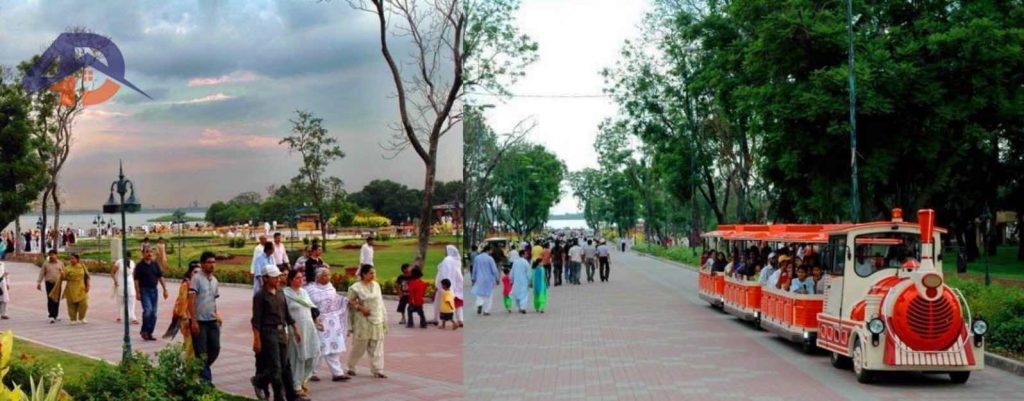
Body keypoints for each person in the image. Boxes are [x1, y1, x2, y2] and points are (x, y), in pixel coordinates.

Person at [251, 265, 302, 401]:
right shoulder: (260, 296)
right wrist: (257, 339)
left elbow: (286, 313)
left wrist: (294, 328)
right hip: (268, 332)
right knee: (276, 367)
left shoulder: (280, 293)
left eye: (278, 276)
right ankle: (279, 397)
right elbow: (256, 320)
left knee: (285, 365)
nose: (278, 279)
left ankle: (259, 380)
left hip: (281, 331)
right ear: (266, 278)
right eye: (274, 277)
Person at [306, 267, 351, 382]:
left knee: (334, 348)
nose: (328, 277)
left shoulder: (331, 287)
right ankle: (311, 372)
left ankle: (338, 373)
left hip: (333, 322)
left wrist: (345, 301)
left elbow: (335, 300)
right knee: (319, 348)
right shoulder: (310, 289)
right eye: (325, 275)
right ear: (318, 277)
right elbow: (308, 305)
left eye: (329, 275)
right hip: (319, 322)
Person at [283, 269, 320, 398]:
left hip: (309, 328)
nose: (301, 280)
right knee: (298, 357)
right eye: (297, 278)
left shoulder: (304, 292)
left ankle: (302, 379)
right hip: (296, 329)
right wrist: (287, 331)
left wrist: (317, 321)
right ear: (290, 280)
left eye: (302, 278)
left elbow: (311, 308)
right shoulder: (285, 294)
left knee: (313, 354)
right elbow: (284, 315)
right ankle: (296, 385)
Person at [347, 264, 388, 378]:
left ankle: (378, 370)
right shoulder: (355, 287)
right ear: (363, 274)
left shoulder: (376, 286)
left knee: (377, 346)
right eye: (371, 273)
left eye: (374, 273)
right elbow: (350, 301)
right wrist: (361, 308)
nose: (373, 275)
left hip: (377, 319)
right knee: (359, 346)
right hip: (362, 320)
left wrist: (384, 318)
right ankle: (351, 366)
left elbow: (380, 302)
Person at [190, 252, 222, 382]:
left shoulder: (215, 281)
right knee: (201, 352)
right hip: (200, 321)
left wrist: (217, 316)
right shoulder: (196, 279)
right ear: (203, 264)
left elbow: (213, 301)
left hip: (212, 320)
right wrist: (194, 321)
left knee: (215, 348)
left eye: (213, 262)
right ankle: (206, 381)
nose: (212, 265)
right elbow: (191, 300)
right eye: (209, 262)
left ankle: (200, 369)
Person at [164, 261, 200, 354]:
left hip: (200, 318)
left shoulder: (202, 284)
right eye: (195, 272)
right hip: (187, 319)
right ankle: (189, 366)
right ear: (190, 273)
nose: (197, 275)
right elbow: (181, 302)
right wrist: (184, 317)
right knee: (189, 345)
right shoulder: (186, 285)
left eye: (200, 272)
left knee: (198, 345)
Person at [134, 248, 169, 341]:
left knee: (154, 313)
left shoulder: (155, 264)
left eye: (150, 252)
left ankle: (149, 333)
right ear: (142, 254)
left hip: (154, 291)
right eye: (147, 252)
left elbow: (160, 276)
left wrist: (165, 289)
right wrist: (137, 292)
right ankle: (144, 331)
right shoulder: (139, 266)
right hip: (144, 290)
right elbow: (136, 280)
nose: (149, 254)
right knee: (148, 310)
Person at [51, 253, 90, 324]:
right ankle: (73, 319)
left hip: (81, 287)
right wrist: (62, 273)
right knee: (71, 304)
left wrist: (88, 285)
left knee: (84, 303)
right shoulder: (67, 268)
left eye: (73, 258)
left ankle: (82, 317)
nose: (71, 260)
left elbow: (87, 276)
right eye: (70, 258)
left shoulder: (82, 266)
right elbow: (63, 278)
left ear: (77, 259)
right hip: (71, 288)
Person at [433, 245, 464, 327]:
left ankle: (437, 319)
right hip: (456, 284)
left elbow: (443, 272)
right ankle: (460, 320)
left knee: (442, 302)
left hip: (446, 285)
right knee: (457, 303)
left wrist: (442, 284)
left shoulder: (447, 260)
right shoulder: (457, 260)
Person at [471, 245, 500, 315]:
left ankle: (479, 304)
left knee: (479, 293)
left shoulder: (477, 258)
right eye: (491, 250)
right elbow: (494, 270)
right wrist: (497, 278)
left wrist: (473, 278)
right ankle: (486, 311)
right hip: (489, 279)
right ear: (488, 250)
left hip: (479, 278)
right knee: (489, 295)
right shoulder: (490, 259)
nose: (492, 252)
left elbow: (474, 269)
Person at [37, 249, 64, 323]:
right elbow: (41, 273)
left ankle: (55, 315)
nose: (51, 256)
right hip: (49, 283)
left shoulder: (60, 263)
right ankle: (51, 315)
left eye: (53, 255)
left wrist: (63, 274)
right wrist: (39, 283)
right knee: (50, 298)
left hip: (58, 284)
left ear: (56, 255)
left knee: (57, 299)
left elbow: (64, 273)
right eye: (50, 255)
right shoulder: (46, 264)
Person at [111, 251, 138, 324]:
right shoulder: (119, 262)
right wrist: (115, 281)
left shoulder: (132, 263)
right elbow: (112, 272)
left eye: (129, 257)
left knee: (131, 298)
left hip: (130, 283)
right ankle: (119, 315)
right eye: (126, 257)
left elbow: (134, 274)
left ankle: (132, 317)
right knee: (121, 300)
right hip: (121, 283)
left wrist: (136, 283)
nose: (127, 259)